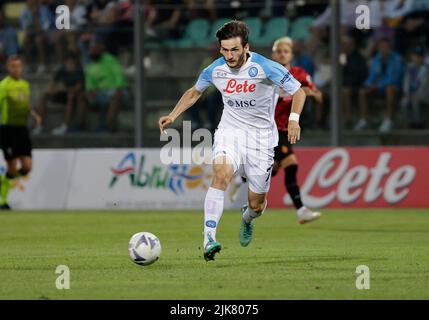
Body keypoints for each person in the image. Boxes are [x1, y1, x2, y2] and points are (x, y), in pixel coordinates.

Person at [158, 21, 307, 261]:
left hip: (261, 140)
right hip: (230, 133)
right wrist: (173, 115)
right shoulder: (215, 69)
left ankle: (247, 218)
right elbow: (195, 91)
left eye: (234, 50)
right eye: (225, 50)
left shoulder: (266, 67)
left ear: (246, 47)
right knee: (221, 176)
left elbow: (298, 91)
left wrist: (293, 119)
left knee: (257, 205)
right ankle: (208, 239)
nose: (229, 55)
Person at [229, 37, 322, 224]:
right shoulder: (265, 73)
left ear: (291, 55)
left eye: (285, 51)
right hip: (268, 128)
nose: (282, 54)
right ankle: (301, 210)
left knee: (272, 169)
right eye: (278, 51)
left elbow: (319, 96)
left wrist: (309, 93)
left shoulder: (299, 74)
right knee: (291, 164)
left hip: (286, 129)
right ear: (273, 54)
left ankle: (243, 178)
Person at [0, 56, 42, 210]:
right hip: (7, 129)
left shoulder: (25, 85)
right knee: (12, 167)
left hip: (22, 129)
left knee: (27, 167)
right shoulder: (4, 86)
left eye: (18, 66)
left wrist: (34, 114)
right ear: (8, 68)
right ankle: (3, 201)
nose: (16, 69)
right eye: (13, 66)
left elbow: (25, 104)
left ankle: (4, 181)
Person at [355, 37, 403, 133]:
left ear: (390, 48)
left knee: (389, 88)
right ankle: (364, 120)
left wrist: (378, 85)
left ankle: (388, 120)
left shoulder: (397, 59)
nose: (384, 49)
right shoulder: (376, 59)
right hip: (377, 87)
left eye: (386, 47)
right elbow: (371, 76)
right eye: (382, 47)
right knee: (362, 92)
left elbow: (393, 78)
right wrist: (368, 84)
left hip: (394, 88)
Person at [33, 54, 86, 135]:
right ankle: (39, 125)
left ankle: (65, 126)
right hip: (61, 94)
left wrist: (63, 89)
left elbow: (77, 88)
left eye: (72, 63)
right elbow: (52, 86)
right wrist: (54, 89)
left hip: (74, 97)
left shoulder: (79, 71)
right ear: (65, 63)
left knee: (71, 96)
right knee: (44, 95)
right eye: (68, 63)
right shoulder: (61, 70)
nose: (70, 65)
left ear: (76, 63)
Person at [83, 43, 127, 132]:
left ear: (100, 50)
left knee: (116, 97)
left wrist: (119, 88)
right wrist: (90, 91)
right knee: (81, 98)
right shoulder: (89, 64)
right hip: (100, 92)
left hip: (115, 89)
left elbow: (118, 75)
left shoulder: (110, 59)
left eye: (95, 50)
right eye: (91, 50)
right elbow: (89, 83)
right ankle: (80, 127)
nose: (93, 52)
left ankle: (107, 127)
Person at [400, 45, 429, 128]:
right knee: (404, 101)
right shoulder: (409, 67)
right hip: (412, 94)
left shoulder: (426, 69)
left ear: (423, 57)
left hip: (425, 94)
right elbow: (406, 83)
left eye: (419, 56)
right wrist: (407, 93)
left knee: (415, 100)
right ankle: (409, 123)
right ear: (412, 56)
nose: (417, 58)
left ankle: (418, 123)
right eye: (415, 56)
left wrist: (418, 94)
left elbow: (425, 85)